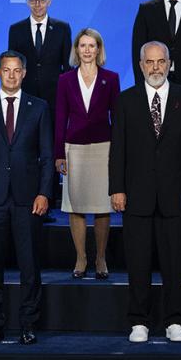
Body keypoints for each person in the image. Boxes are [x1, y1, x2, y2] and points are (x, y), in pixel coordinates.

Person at [111, 42, 181, 343]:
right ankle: (139, 322)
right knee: (138, 262)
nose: (155, 68)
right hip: (136, 196)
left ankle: (174, 321)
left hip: (176, 196)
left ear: (169, 64)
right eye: (149, 62)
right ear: (140, 65)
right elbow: (119, 150)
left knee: (174, 262)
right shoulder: (126, 100)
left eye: (161, 62)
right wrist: (117, 189)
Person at [0, 51, 55, 345]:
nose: (12, 75)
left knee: (29, 266)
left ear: (24, 73)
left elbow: (46, 155)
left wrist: (45, 192)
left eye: (17, 70)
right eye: (7, 70)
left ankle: (28, 324)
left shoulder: (39, 107)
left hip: (28, 197)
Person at [56, 28, 119, 278]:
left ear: (99, 49)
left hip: (104, 147)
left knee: (103, 206)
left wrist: (119, 151)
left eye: (92, 46)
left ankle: (100, 257)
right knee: (76, 206)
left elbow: (117, 117)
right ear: (76, 50)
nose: (87, 50)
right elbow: (60, 117)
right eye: (83, 46)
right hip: (75, 148)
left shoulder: (111, 78)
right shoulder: (65, 80)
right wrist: (58, 152)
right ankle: (81, 258)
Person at [7, 0, 71, 107]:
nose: (37, 5)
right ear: (27, 2)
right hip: (25, 97)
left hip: (55, 98)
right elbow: (12, 64)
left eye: (41, 0)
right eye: (33, 0)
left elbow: (68, 66)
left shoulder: (62, 28)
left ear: (49, 1)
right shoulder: (16, 30)